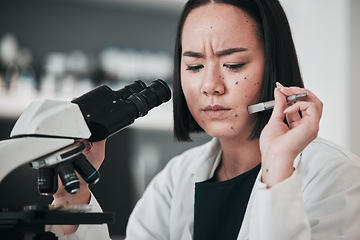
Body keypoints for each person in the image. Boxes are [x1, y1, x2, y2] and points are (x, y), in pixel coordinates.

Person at [49, 0, 360, 239]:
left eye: (234, 64)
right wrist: (73, 203)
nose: (210, 85)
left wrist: (277, 168)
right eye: (195, 67)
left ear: (274, 66)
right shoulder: (175, 180)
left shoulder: (333, 175)